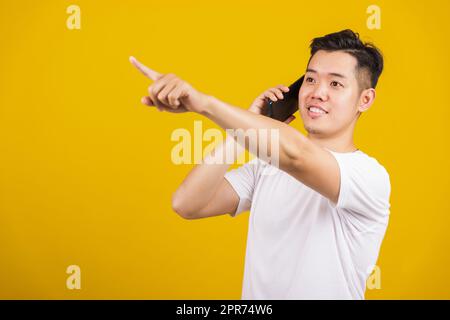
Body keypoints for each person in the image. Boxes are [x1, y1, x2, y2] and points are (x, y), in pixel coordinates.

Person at [130, 29, 391, 300]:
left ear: (365, 99)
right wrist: (246, 126)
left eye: (335, 84)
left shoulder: (368, 177)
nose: (317, 92)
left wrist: (204, 104)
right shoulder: (266, 168)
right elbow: (186, 203)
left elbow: (298, 155)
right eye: (311, 79)